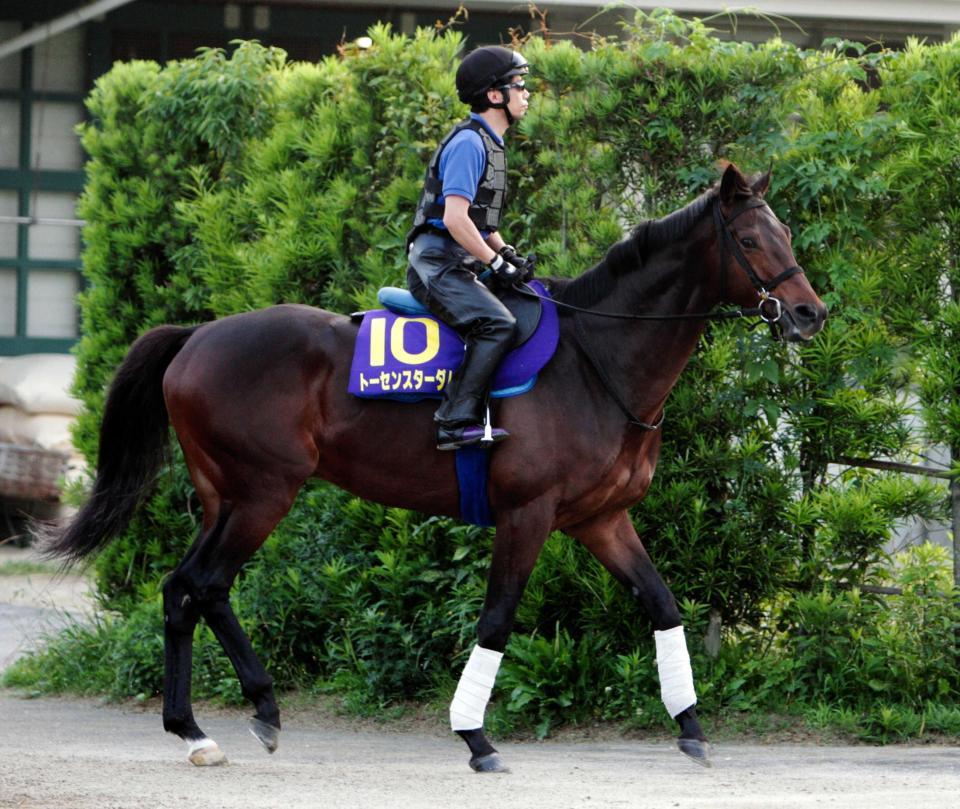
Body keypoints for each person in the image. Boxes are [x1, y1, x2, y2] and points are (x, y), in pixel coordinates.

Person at [406, 45, 533, 451]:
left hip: (454, 261)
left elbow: (481, 224)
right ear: (495, 96)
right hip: (436, 265)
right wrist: (496, 262)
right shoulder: (470, 144)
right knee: (497, 324)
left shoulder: (490, 142)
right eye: (519, 84)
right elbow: (456, 220)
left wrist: (506, 253)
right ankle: (454, 421)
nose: (527, 92)